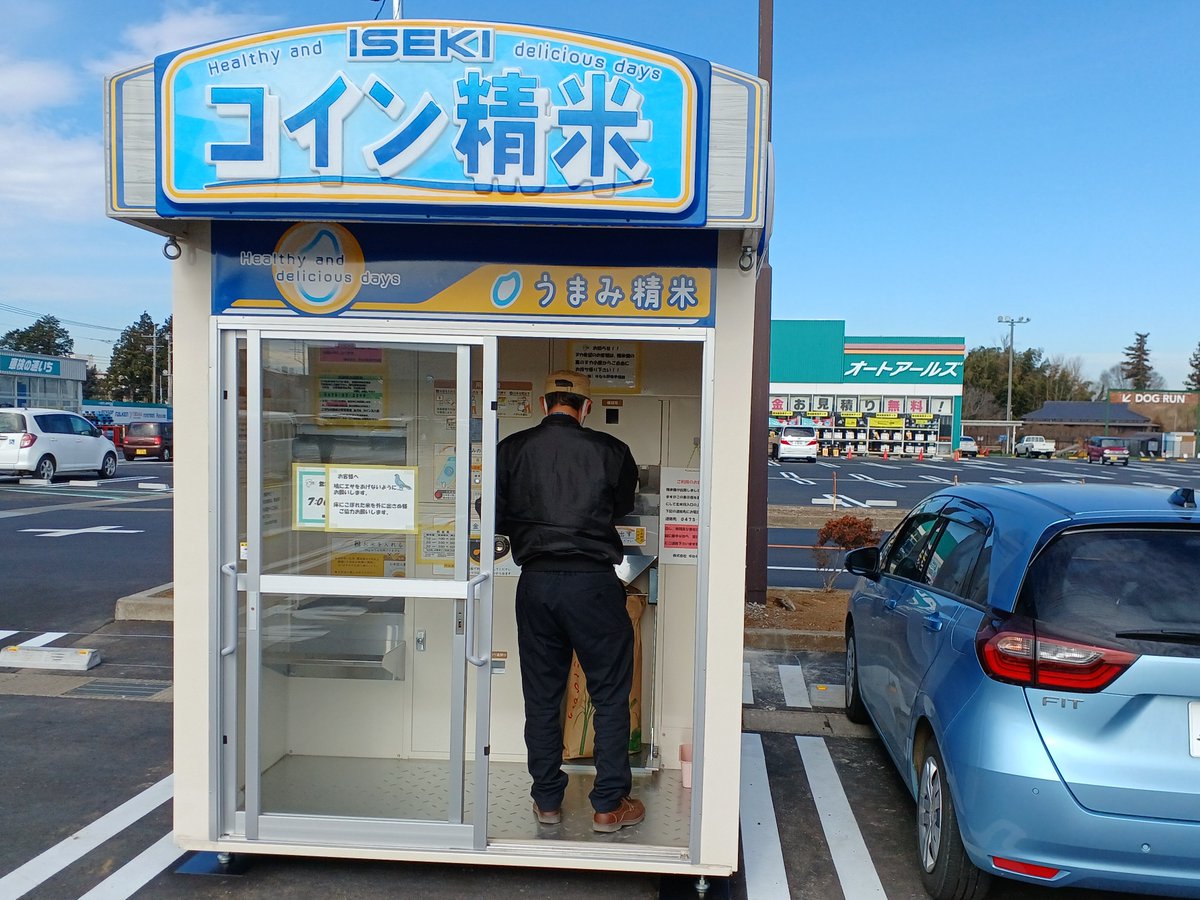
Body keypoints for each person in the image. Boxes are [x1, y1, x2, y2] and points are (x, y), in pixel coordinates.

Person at [496, 370, 643, 833]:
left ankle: (547, 802)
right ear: (586, 407)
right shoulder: (612, 451)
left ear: (544, 405)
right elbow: (620, 507)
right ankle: (608, 804)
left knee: (541, 698)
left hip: (536, 584)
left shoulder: (511, 450)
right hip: (593, 585)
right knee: (610, 694)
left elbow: (494, 512)